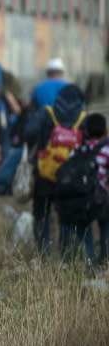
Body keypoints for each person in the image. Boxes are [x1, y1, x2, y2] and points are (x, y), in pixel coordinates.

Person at [24, 83, 86, 253]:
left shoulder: (47, 113)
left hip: (45, 172)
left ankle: (43, 250)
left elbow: (29, 132)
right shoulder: (82, 118)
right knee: (66, 214)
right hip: (70, 176)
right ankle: (65, 252)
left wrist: (36, 147)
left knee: (42, 211)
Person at [56, 113, 105, 264]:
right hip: (100, 198)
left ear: (86, 132)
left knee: (82, 232)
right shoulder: (106, 149)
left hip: (79, 198)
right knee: (104, 230)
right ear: (105, 131)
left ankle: (77, 263)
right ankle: (102, 261)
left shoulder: (77, 150)